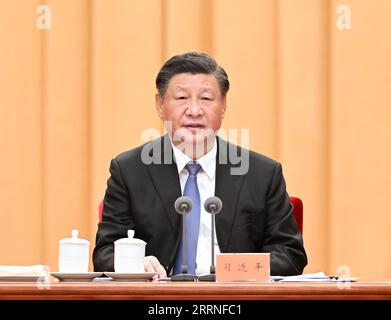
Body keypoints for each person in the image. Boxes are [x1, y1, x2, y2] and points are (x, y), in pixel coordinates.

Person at [93, 52, 307, 279]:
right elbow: (105, 253)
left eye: (206, 99)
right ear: (160, 105)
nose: (194, 110)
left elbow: (290, 254)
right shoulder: (129, 171)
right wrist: (138, 263)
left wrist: (233, 270)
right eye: (182, 98)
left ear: (223, 105)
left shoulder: (262, 174)